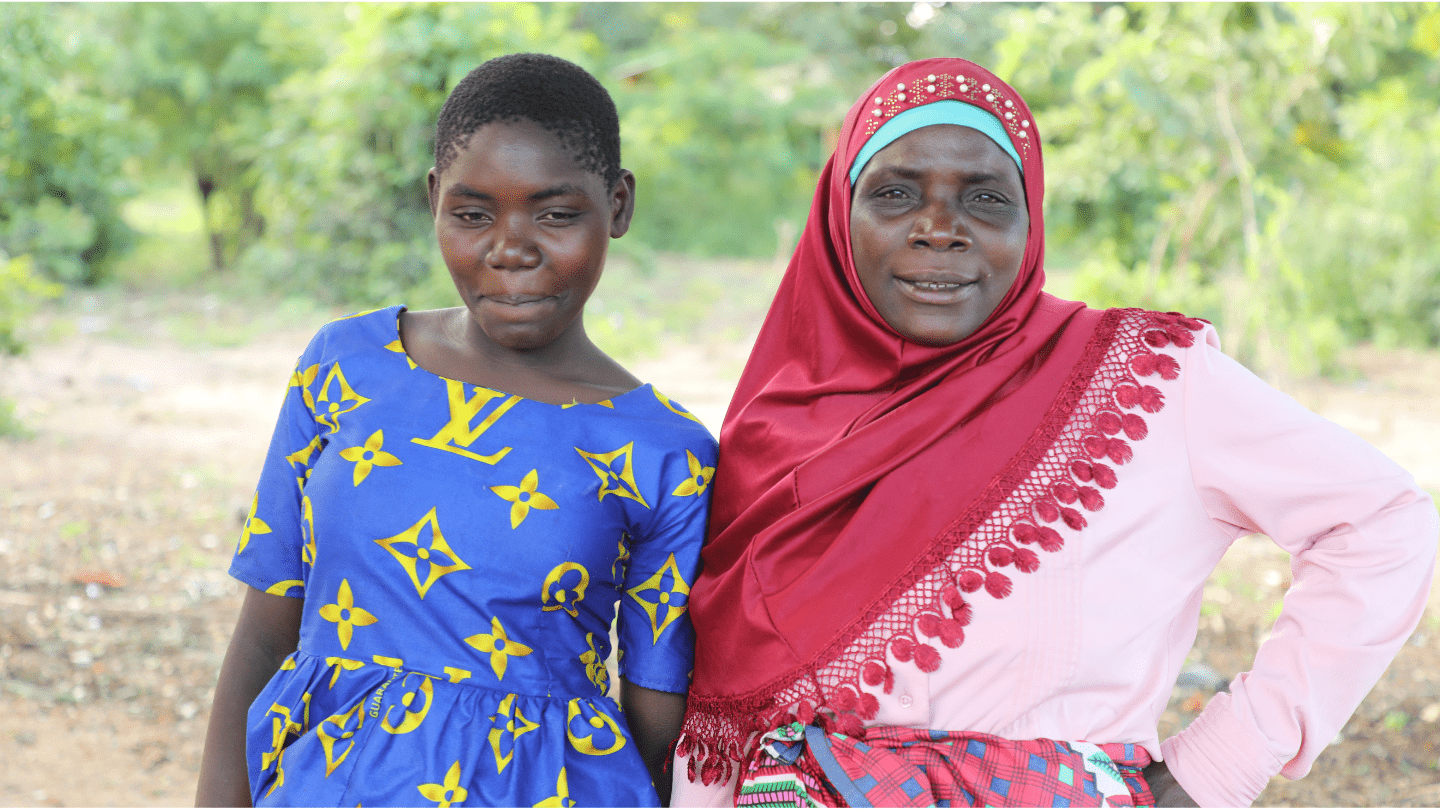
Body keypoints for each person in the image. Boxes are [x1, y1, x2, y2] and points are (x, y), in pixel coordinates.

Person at [671, 57, 1439, 808]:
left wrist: (1222, 764)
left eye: (986, 198)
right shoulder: (775, 431)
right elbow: (723, 724)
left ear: (1031, 217)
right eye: (896, 193)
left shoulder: (1145, 381)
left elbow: (1382, 522)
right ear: (839, 218)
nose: (940, 230)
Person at [195, 53, 715, 807]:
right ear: (435, 200)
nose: (510, 249)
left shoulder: (664, 449)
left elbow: (656, 712)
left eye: (556, 213)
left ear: (620, 204)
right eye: (473, 213)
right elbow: (263, 635)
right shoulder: (347, 366)